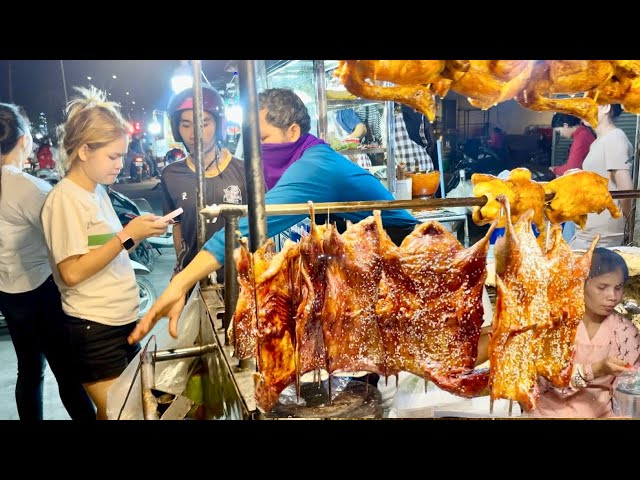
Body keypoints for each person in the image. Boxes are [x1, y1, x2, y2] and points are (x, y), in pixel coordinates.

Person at [129, 88, 419, 344]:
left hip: (400, 254)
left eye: (263, 138)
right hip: (368, 259)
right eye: (252, 140)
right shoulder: (295, 160)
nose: (256, 150)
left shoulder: (316, 165)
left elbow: (253, 223)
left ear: (292, 131)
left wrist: (180, 283)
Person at [40, 86, 170, 420]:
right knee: (123, 413)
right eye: (113, 156)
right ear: (83, 150)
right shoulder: (65, 199)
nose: (121, 164)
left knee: (126, 411)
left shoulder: (96, 192)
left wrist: (139, 234)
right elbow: (71, 272)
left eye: (122, 155)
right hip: (93, 330)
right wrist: (127, 236)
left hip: (120, 322)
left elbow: (106, 252)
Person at [0, 103, 95, 420]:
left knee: (29, 371)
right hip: (41, 291)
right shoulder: (27, 187)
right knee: (68, 374)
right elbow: (69, 233)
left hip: (8, 293)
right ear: (24, 139)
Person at [532, 248, 640, 418]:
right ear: (581, 284)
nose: (612, 296)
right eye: (602, 287)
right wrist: (595, 370)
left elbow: (629, 388)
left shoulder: (626, 332)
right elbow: (543, 381)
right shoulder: (555, 324)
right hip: (546, 414)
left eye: (618, 288)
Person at [161, 84, 247, 279]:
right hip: (193, 278)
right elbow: (178, 226)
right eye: (185, 125)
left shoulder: (245, 170)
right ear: (177, 129)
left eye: (204, 124)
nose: (194, 134)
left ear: (218, 125)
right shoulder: (171, 174)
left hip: (239, 278)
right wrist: (181, 269)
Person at [569, 104, 634, 249]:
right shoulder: (598, 141)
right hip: (589, 233)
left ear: (605, 107)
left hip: (602, 237)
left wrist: (629, 229)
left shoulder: (615, 138)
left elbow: (626, 190)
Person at [393, 103, 436, 174]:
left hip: (416, 169)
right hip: (421, 166)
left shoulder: (391, 110)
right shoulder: (416, 109)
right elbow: (429, 141)